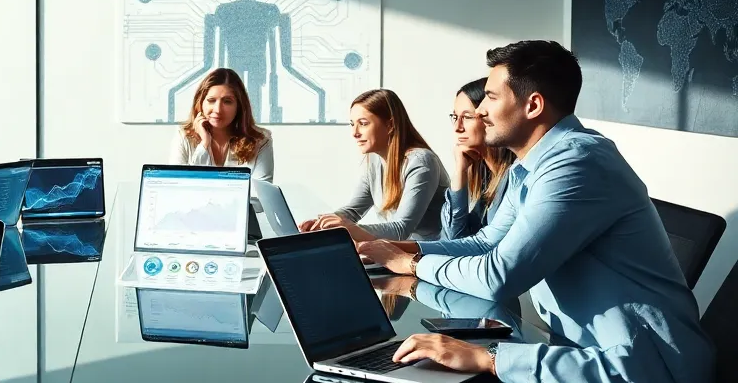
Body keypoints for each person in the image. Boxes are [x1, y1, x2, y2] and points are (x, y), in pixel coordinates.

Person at [338, 41, 715, 383]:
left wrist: (483, 353)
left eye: (491, 97)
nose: (480, 111)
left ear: (533, 104)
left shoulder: (577, 165)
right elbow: (485, 243)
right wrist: (396, 249)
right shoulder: (532, 167)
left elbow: (498, 274)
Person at [299, 88, 449, 241]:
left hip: (428, 252)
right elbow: (353, 211)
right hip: (397, 249)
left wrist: (348, 229)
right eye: (352, 124)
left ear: (390, 125)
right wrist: (323, 224)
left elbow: (401, 229)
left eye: (363, 123)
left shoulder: (421, 161)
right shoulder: (374, 161)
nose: (355, 133)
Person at [441, 78, 515, 239]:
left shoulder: (514, 176)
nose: (457, 127)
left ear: (488, 118)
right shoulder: (485, 175)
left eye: (467, 117)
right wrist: (460, 172)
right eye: (455, 117)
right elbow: (455, 236)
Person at [170, 67, 274, 180]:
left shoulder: (261, 140)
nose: (218, 110)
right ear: (200, 103)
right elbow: (178, 185)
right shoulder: (184, 137)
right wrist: (204, 144)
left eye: (227, 101)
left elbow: (261, 189)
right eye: (211, 100)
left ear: (239, 106)